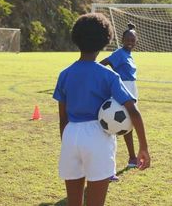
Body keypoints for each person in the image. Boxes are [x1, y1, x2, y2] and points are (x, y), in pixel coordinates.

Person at [53, 13, 151, 206]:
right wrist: (143, 147)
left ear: (76, 39)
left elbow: (62, 118)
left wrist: (68, 142)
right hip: (98, 136)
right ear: (106, 40)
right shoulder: (109, 76)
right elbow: (133, 111)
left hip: (71, 134)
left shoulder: (64, 74)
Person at [100, 22, 139, 181]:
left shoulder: (129, 54)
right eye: (127, 39)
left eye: (133, 39)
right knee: (114, 128)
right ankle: (109, 169)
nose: (130, 41)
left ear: (136, 41)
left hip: (131, 90)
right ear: (122, 40)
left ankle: (132, 159)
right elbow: (103, 63)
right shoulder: (119, 53)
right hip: (121, 92)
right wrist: (104, 78)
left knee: (128, 126)